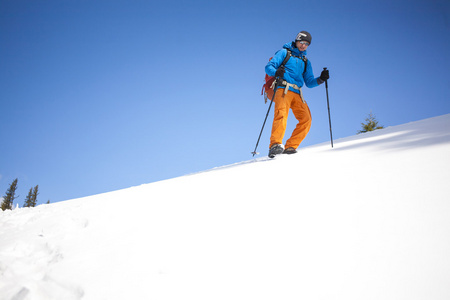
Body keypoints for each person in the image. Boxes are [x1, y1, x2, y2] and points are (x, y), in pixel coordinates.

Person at [265, 31, 329, 158]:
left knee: (306, 119)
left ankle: (290, 146)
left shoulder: (305, 62)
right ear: (296, 40)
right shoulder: (284, 53)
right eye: (302, 42)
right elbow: (268, 67)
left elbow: (309, 82)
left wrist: (321, 79)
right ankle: (275, 145)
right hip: (283, 88)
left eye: (306, 44)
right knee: (281, 115)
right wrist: (277, 72)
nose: (303, 45)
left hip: (297, 93)